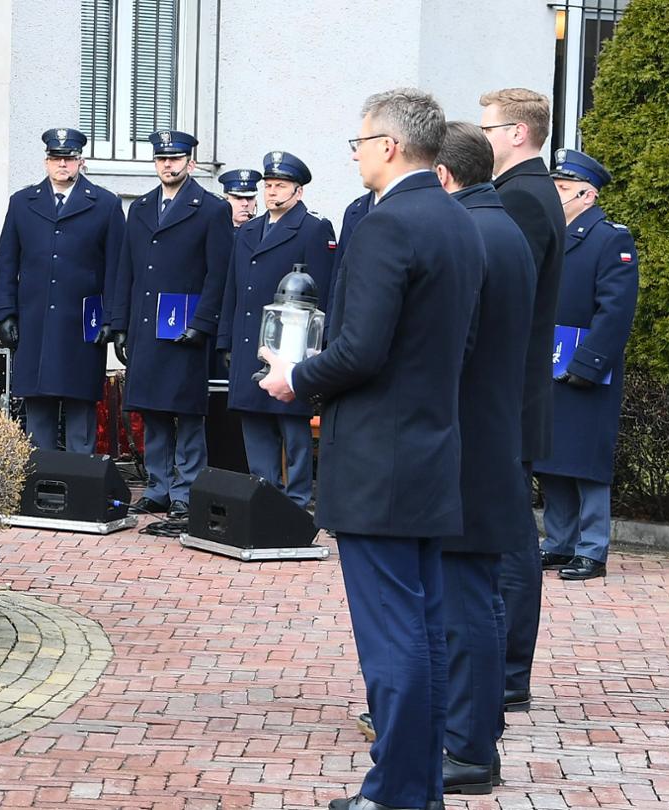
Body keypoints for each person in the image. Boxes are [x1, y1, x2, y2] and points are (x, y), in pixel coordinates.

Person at [260, 88, 480, 810]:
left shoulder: (388, 224)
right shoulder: (457, 218)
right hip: (430, 448)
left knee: (393, 640)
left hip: (379, 459)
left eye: (358, 142)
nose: (354, 154)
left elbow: (361, 349)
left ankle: (396, 793)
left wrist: (296, 377)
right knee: (423, 630)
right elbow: (456, 344)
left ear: (389, 145)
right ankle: (418, 788)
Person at [434, 121, 537, 795]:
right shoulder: (500, 226)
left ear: (443, 175)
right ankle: (476, 736)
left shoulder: (471, 232)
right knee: (478, 597)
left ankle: (469, 747)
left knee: (466, 598)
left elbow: (453, 348)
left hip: (468, 439)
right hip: (490, 432)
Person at [479, 86, 566, 714]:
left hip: (506, 400)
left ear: (517, 133)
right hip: (511, 397)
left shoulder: (521, 198)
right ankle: (502, 672)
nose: (481, 138)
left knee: (508, 540)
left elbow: (506, 304)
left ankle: (507, 673)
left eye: (488, 129)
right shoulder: (527, 192)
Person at [100, 130, 232, 516]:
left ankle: (186, 491)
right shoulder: (140, 208)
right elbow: (126, 271)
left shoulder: (211, 209)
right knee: (152, 409)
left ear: (191, 162)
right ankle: (158, 487)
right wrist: (120, 325)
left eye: (174, 159)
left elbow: (219, 274)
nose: (167, 165)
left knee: (187, 413)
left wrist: (203, 323)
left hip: (185, 328)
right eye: (161, 159)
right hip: (146, 326)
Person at [532, 149, 639, 582]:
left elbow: (615, 311)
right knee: (551, 457)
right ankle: (559, 542)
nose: (554, 195)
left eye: (562, 188)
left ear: (587, 195)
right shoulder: (550, 235)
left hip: (588, 368)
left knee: (586, 461)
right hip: (548, 361)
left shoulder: (609, 239)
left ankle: (592, 549)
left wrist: (589, 363)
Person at [0, 128, 123, 453]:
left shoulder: (105, 204)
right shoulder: (23, 203)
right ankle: (42, 477)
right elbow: (6, 263)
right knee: (38, 413)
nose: (62, 164)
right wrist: (4, 313)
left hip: (83, 324)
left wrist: (113, 318)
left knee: (81, 411)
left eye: (69, 158)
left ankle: (81, 478)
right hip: (35, 322)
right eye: (55, 158)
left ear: (81, 161)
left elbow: (117, 269)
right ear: (46, 161)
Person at [218, 151, 335, 508]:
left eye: (280, 186)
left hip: (290, 344)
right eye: (268, 186)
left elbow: (322, 293)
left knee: (291, 423)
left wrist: (316, 349)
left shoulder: (314, 228)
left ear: (298, 191)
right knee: (254, 420)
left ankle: (297, 500)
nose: (271, 192)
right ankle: (263, 495)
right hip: (249, 339)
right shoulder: (249, 229)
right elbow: (233, 289)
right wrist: (226, 339)